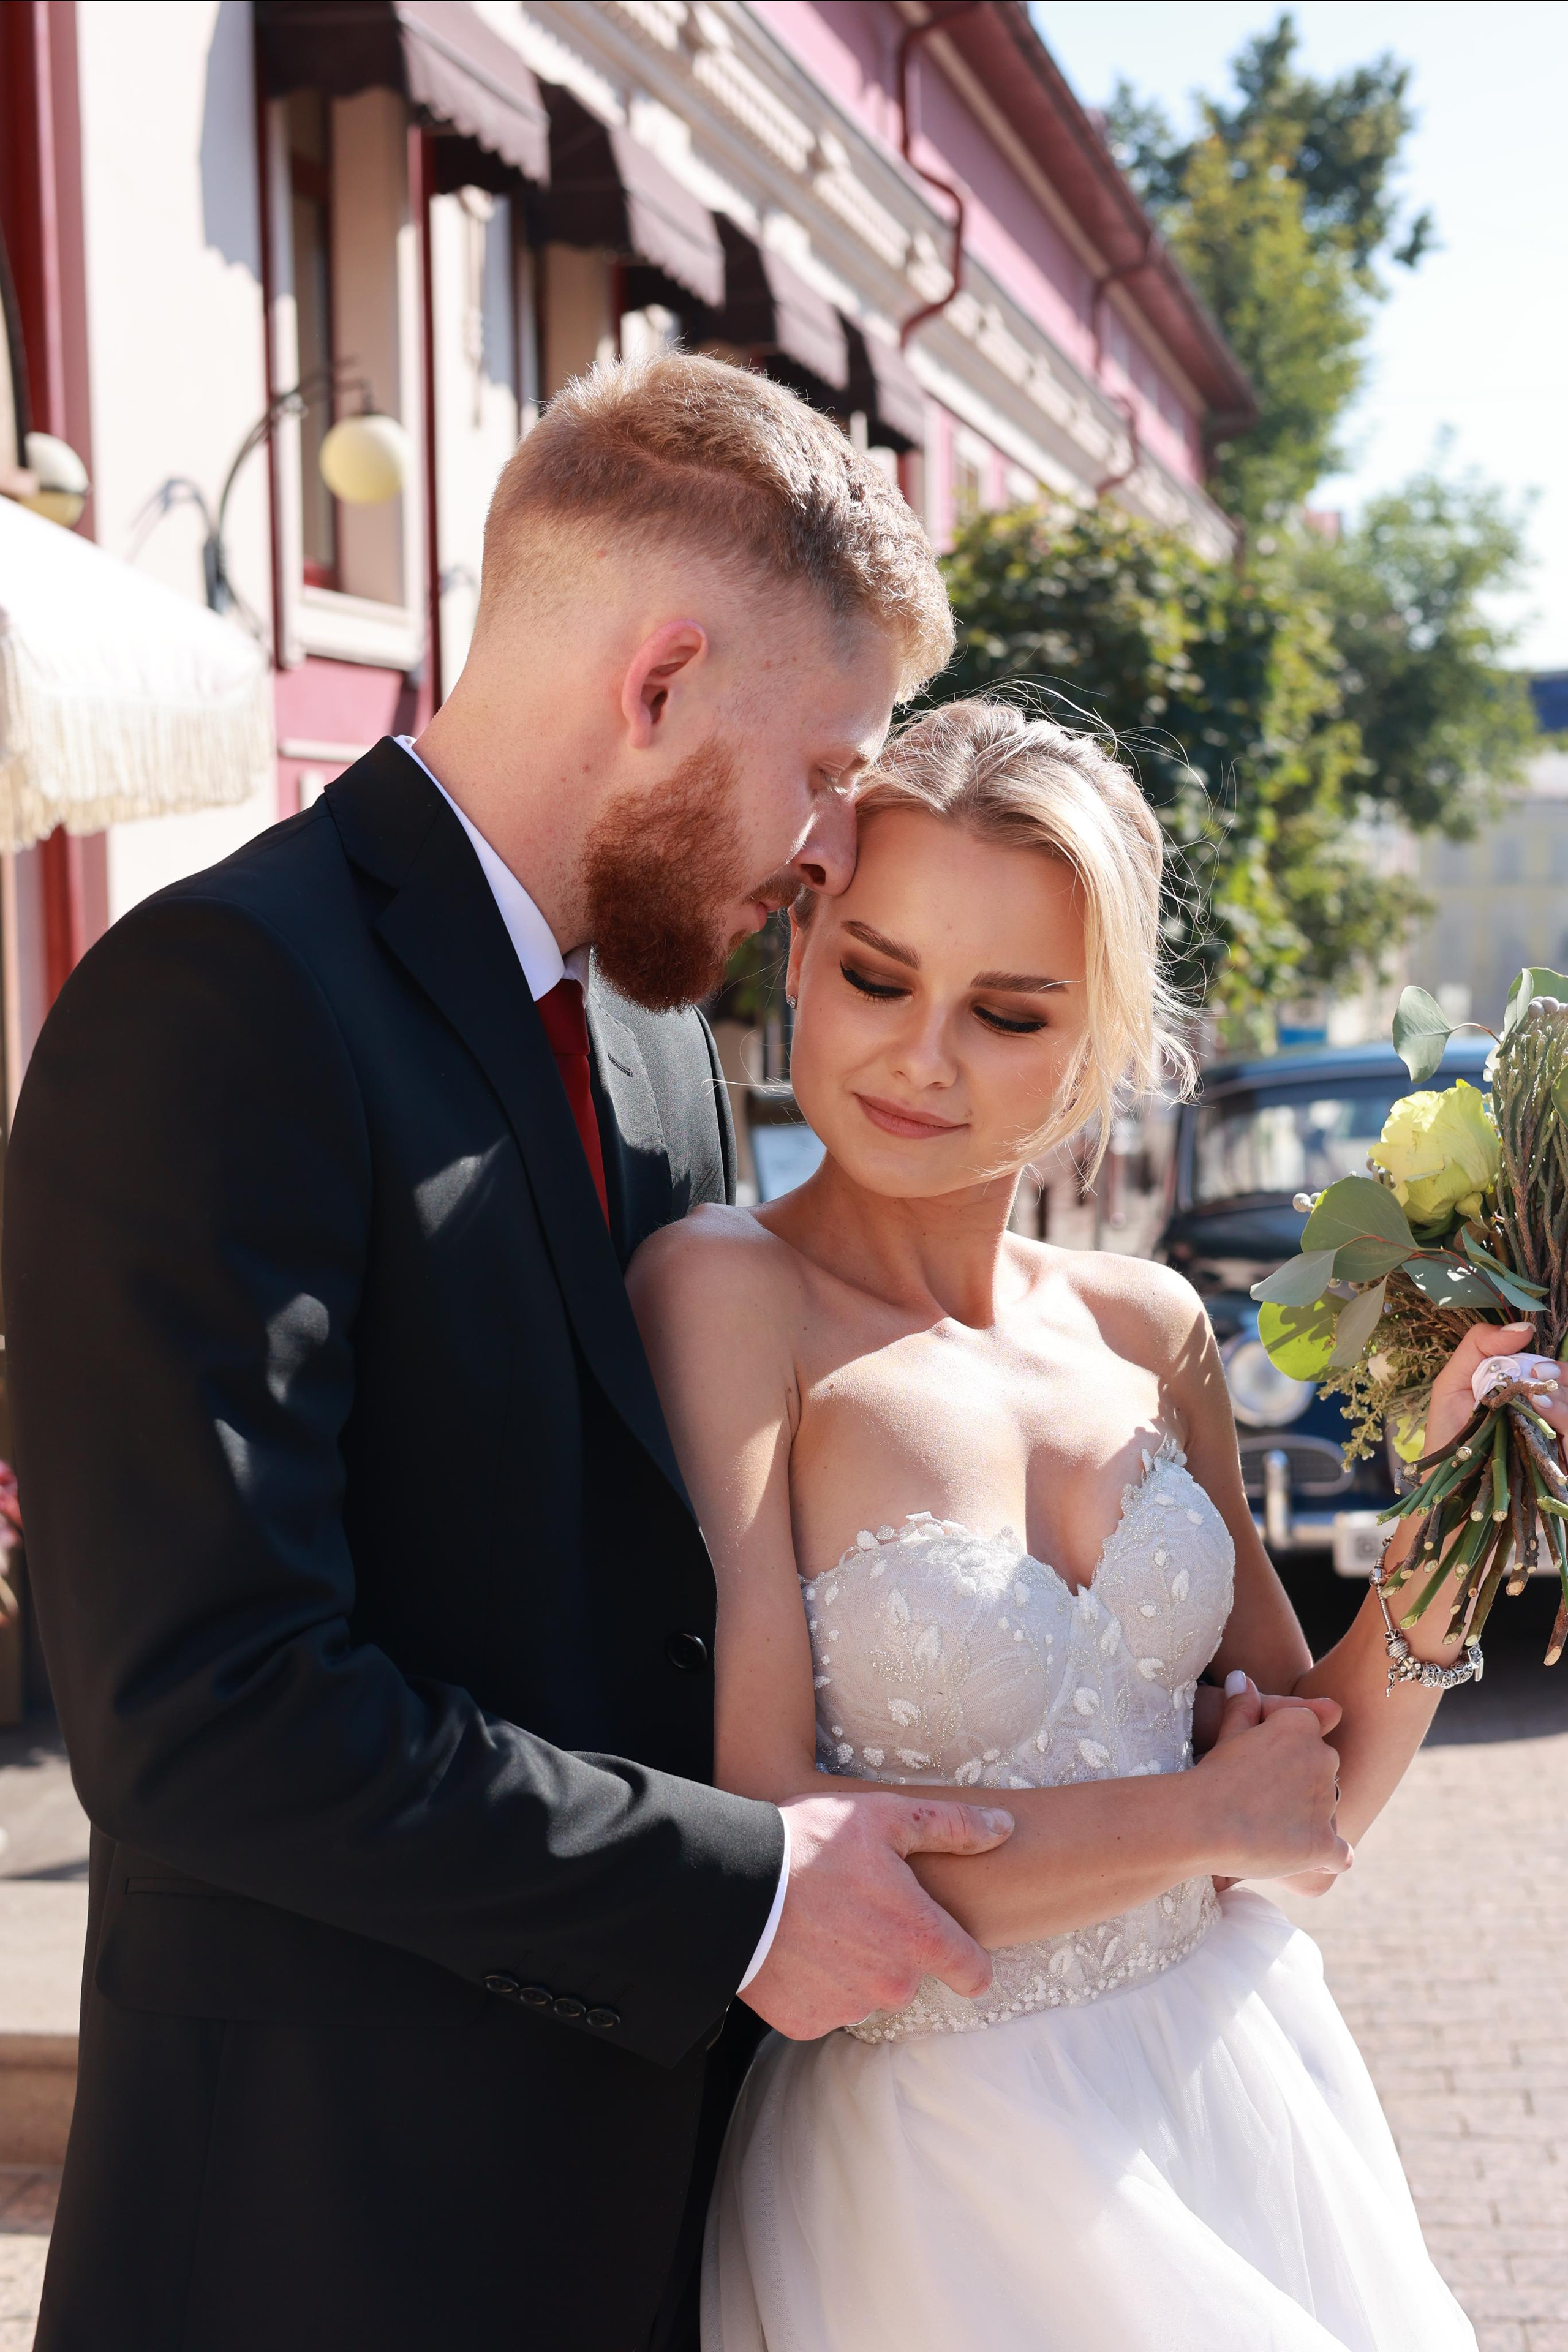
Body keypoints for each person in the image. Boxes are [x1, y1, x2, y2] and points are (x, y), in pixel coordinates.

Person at [1, 356, 1020, 2352]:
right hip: (320, 2243)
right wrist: (734, 1889)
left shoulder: (655, 1028)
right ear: (654, 686)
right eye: (824, 764)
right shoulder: (219, 1006)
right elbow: (202, 1713)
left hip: (649, 2224)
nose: (831, 847)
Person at [628, 697, 1538, 2350]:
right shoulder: (727, 1291)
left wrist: (1458, 1528)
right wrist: (1199, 1821)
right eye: (878, 975)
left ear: (1102, 1042)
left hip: (1237, 2091)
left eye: (1009, 1011)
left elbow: (1307, 1802)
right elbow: (773, 1826)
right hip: (938, 2175)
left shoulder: (1148, 1324)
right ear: (801, 949)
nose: (922, 1055)